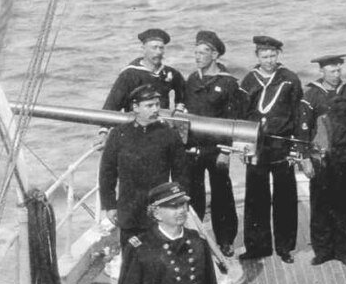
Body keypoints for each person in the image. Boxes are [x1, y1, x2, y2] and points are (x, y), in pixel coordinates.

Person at [99, 85, 187, 269]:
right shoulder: (119, 134)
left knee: (161, 261)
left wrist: (179, 204)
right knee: (131, 258)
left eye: (157, 105)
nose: (155, 109)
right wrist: (109, 205)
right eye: (149, 105)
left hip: (158, 209)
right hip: (129, 207)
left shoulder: (169, 135)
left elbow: (181, 173)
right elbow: (107, 172)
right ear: (135, 107)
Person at [238, 35, 303, 263]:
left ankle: (285, 247)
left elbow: (298, 115)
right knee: (256, 198)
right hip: (256, 146)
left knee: (285, 197)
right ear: (257, 56)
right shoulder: (249, 80)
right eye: (264, 56)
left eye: (273, 55)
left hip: (282, 145)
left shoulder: (290, 79)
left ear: (278, 55)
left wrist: (295, 146)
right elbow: (242, 115)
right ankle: (257, 246)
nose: (269, 60)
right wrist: (243, 146)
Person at [181, 29, 241, 258]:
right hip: (194, 149)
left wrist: (226, 151)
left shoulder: (228, 83)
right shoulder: (193, 80)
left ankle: (225, 240)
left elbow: (232, 120)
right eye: (195, 52)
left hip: (217, 150)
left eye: (202, 53)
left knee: (222, 195)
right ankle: (196, 238)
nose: (197, 57)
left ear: (214, 55)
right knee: (193, 194)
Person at [298, 53, 346, 267]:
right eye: (332, 71)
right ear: (321, 72)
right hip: (320, 157)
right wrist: (304, 158)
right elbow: (303, 130)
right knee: (320, 205)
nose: (336, 74)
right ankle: (323, 251)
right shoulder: (312, 95)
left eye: (338, 70)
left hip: (343, 156)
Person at [98, 29, 187, 143]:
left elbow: (184, 95)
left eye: (161, 48)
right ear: (143, 49)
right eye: (154, 48)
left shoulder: (171, 73)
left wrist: (179, 111)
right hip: (135, 132)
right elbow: (112, 104)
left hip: (161, 130)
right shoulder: (130, 74)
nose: (158, 52)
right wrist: (103, 131)